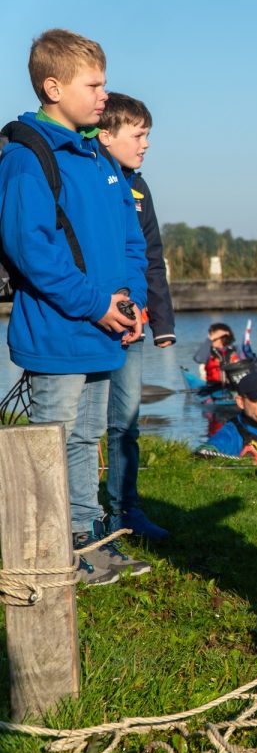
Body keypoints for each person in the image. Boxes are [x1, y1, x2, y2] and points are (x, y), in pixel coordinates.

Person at [0, 29, 150, 584]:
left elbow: (131, 240)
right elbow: (31, 250)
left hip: (103, 329)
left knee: (87, 441)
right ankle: (45, 549)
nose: (103, 95)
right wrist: (95, 303)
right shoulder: (26, 158)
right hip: (60, 332)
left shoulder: (98, 157)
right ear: (53, 86)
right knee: (52, 444)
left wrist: (130, 302)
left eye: (105, 83)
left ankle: (86, 540)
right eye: (94, 84)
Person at [99, 93, 175, 541]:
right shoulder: (89, 180)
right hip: (92, 318)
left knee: (126, 422)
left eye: (148, 135)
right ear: (108, 136)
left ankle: (127, 509)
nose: (146, 144)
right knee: (84, 426)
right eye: (139, 135)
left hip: (134, 322)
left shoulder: (140, 188)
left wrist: (159, 321)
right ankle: (82, 516)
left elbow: (152, 255)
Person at [192, 322, 240, 388]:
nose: (210, 339)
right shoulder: (208, 351)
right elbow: (198, 359)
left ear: (223, 338)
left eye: (213, 337)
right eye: (210, 337)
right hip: (213, 387)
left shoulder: (236, 350)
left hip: (234, 386)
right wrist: (209, 340)